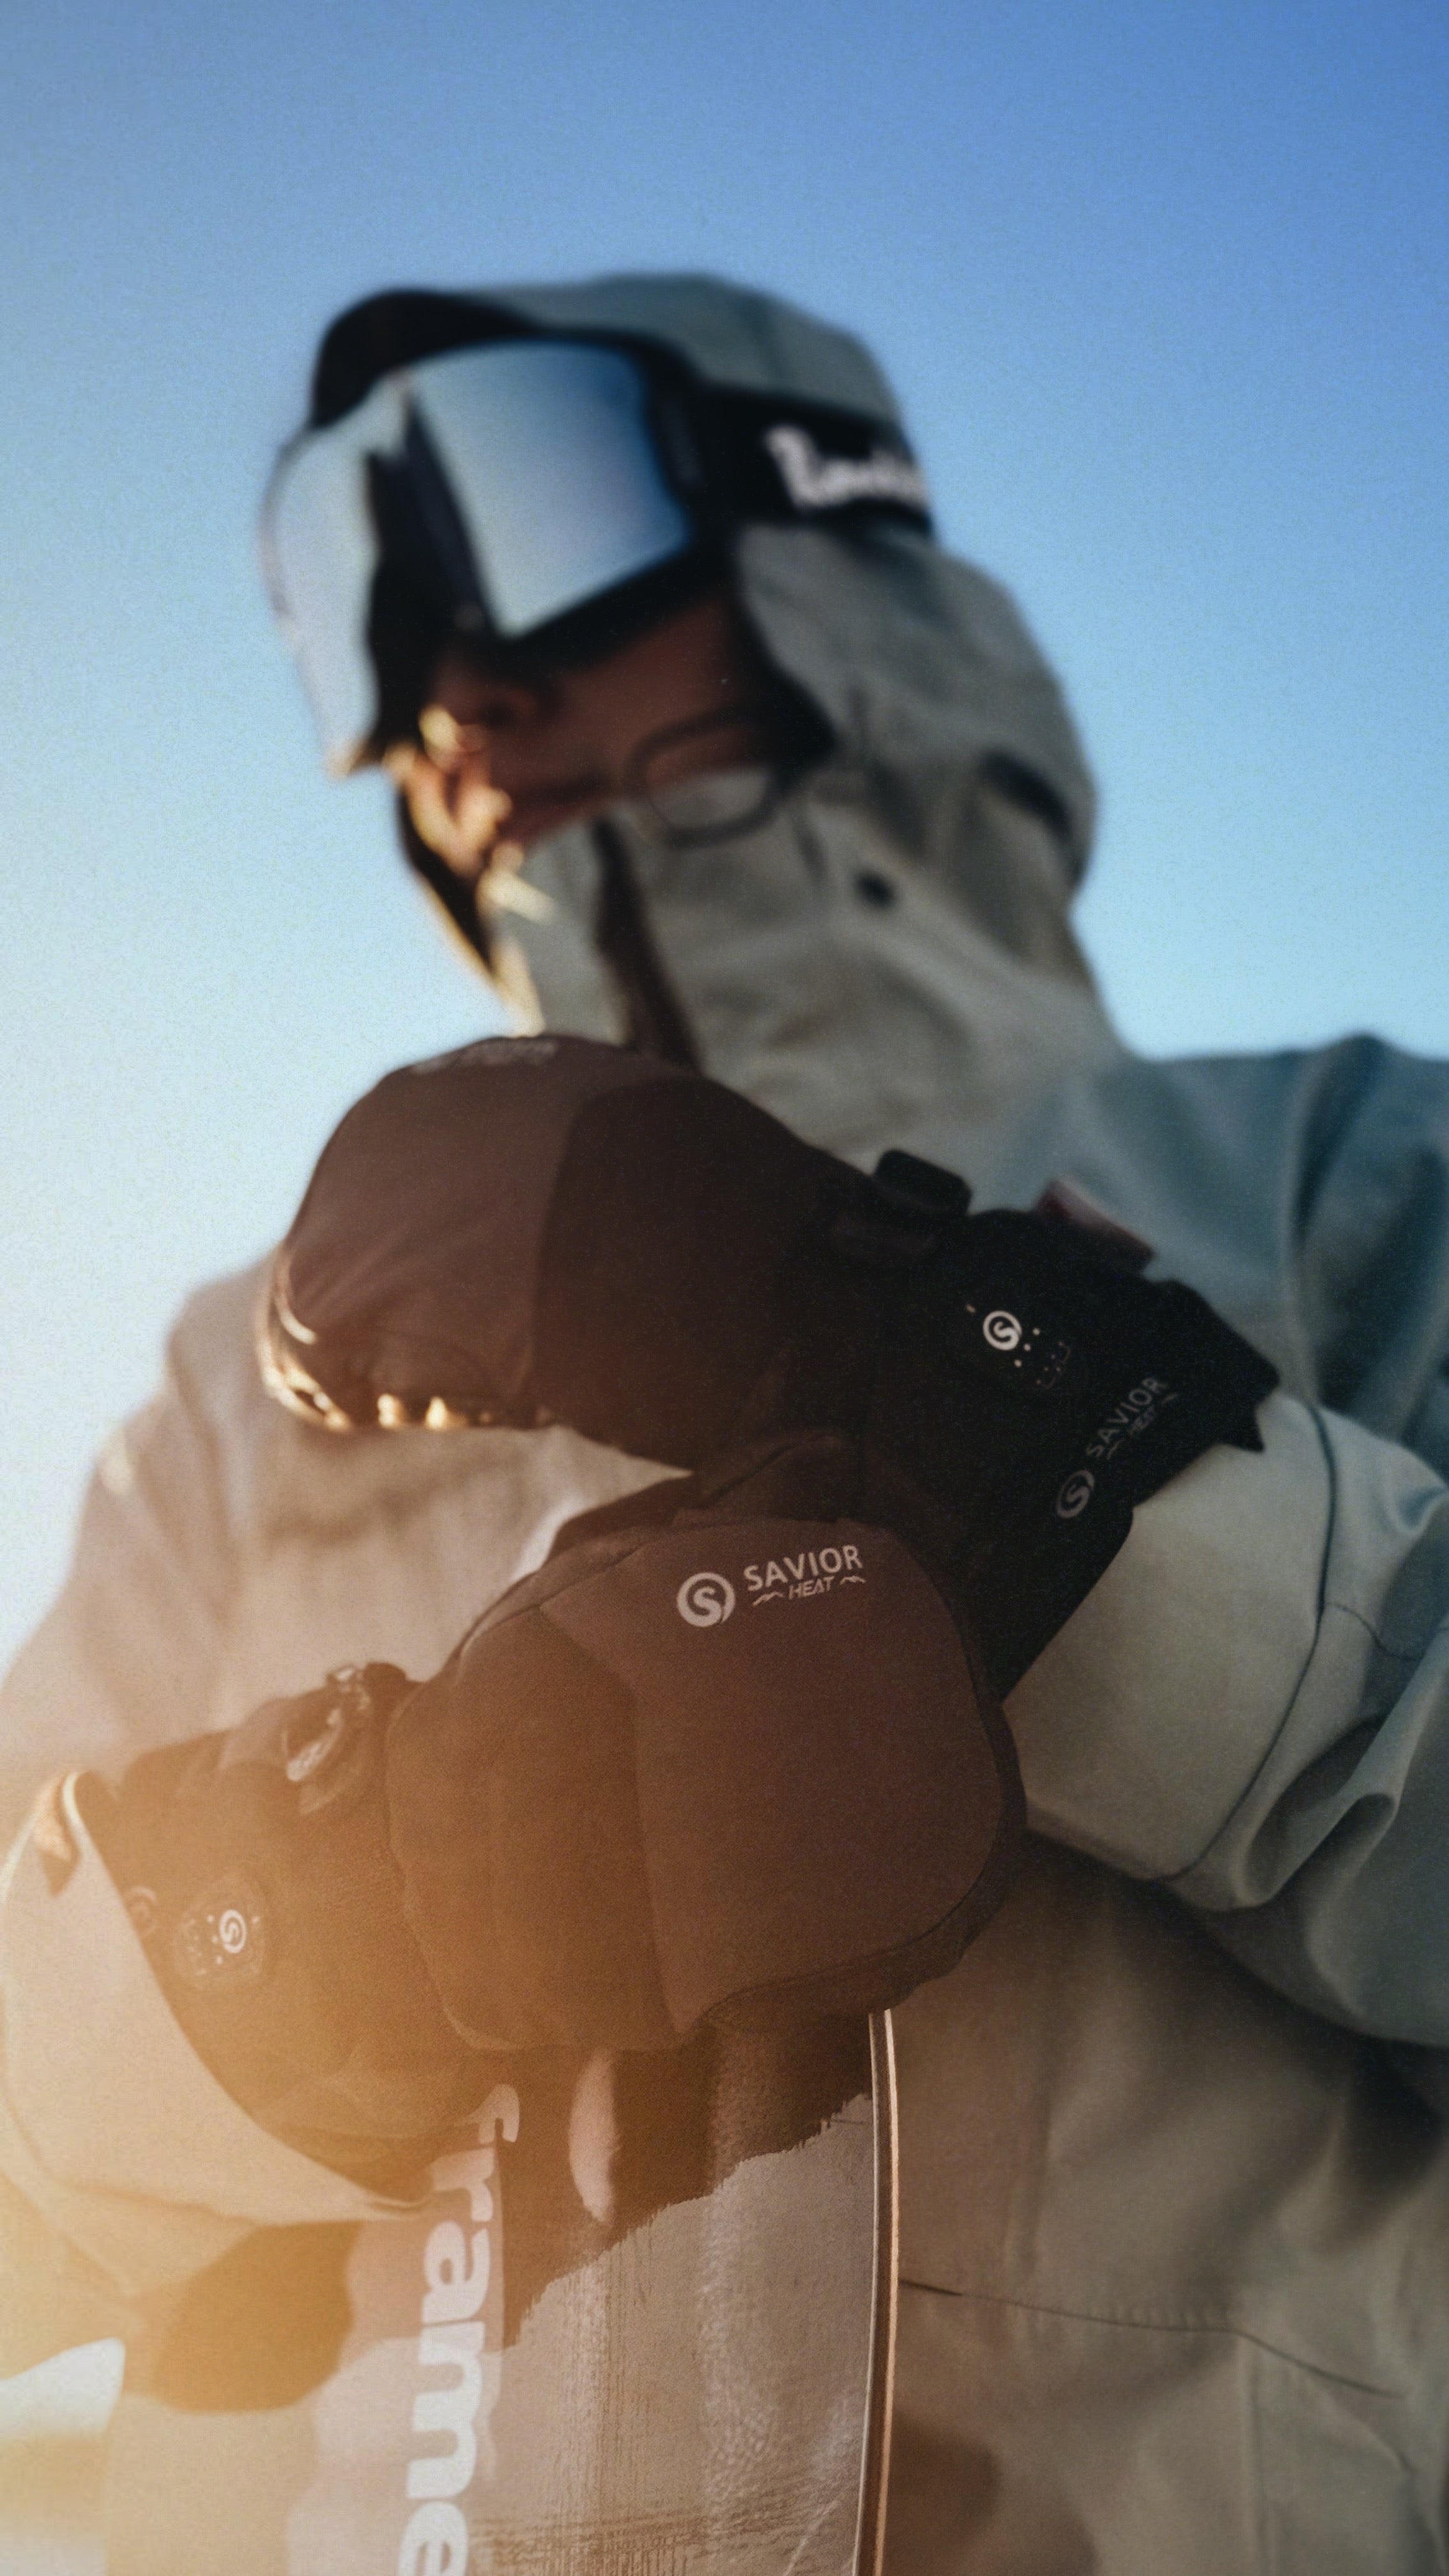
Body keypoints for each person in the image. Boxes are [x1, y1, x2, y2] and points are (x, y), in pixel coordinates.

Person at [6, 273, 1449, 2575]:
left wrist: (1043, 1468)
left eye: (516, 503)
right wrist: (318, 1928)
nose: (455, 688)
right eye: (348, 598)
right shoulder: (249, 1392)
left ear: (823, 542)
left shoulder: (1353, 1184)